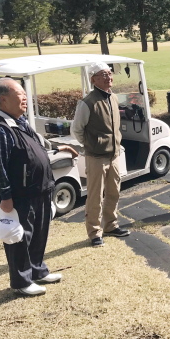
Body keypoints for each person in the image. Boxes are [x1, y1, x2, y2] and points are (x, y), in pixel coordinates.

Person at [0, 79, 72, 296]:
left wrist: (57, 149)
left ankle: (37, 270)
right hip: (19, 196)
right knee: (19, 238)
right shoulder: (0, 130)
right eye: (20, 94)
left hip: (38, 190)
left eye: (25, 94)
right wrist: (5, 196)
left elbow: (36, 148)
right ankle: (21, 281)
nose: (25, 98)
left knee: (39, 234)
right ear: (3, 99)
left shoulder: (21, 122)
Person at [71, 62, 131, 247]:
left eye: (109, 74)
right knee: (95, 196)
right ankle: (94, 232)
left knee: (113, 192)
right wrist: (91, 144)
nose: (108, 77)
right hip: (96, 157)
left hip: (114, 155)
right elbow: (77, 130)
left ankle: (111, 225)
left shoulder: (113, 97)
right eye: (103, 75)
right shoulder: (87, 102)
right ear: (93, 79)